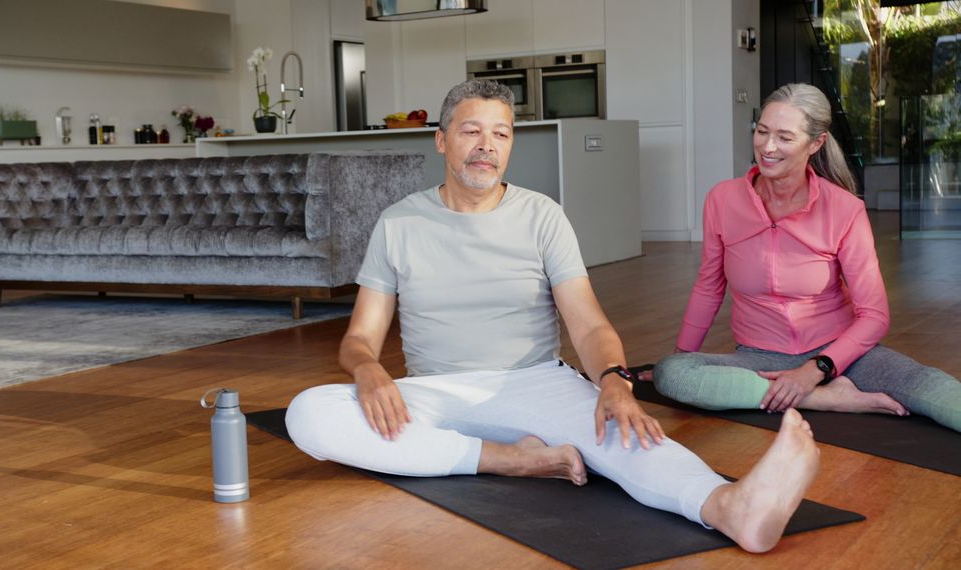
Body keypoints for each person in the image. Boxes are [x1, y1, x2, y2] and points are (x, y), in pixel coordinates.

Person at [285, 79, 820, 553]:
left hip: (536, 381)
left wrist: (612, 381)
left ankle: (729, 507)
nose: (486, 147)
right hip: (435, 392)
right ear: (442, 140)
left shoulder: (542, 215)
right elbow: (360, 337)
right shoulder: (398, 222)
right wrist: (367, 370)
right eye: (471, 132)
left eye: (501, 134)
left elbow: (586, 322)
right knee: (308, 414)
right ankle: (508, 459)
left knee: (626, 430)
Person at [649, 83, 961, 433]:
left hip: (839, 355)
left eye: (784, 137)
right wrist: (682, 355)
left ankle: (805, 390)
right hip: (760, 356)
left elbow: (874, 316)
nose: (767, 147)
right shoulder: (722, 200)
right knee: (671, 374)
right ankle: (825, 399)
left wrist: (815, 370)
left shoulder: (845, 209)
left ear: (816, 143)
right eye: (762, 131)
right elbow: (709, 287)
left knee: (930, 386)